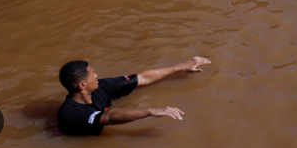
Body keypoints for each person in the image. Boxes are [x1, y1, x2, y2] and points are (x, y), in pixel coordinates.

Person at [57, 56, 211, 135]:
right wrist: (150, 112)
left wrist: (181, 66)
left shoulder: (101, 86)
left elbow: (142, 78)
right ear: (82, 85)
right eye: (92, 74)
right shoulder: (70, 114)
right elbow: (109, 117)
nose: (96, 75)